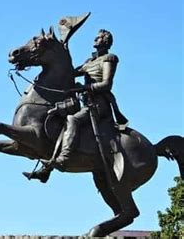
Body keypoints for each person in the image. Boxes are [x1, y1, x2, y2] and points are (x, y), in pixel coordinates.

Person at [24, 29, 127, 183]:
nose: (95, 39)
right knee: (59, 119)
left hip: (99, 104)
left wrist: (84, 88)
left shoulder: (109, 58)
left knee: (72, 120)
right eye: (96, 37)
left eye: (99, 38)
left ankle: (63, 159)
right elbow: (70, 72)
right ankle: (46, 170)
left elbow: (106, 84)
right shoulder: (89, 62)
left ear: (105, 41)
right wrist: (61, 51)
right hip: (87, 103)